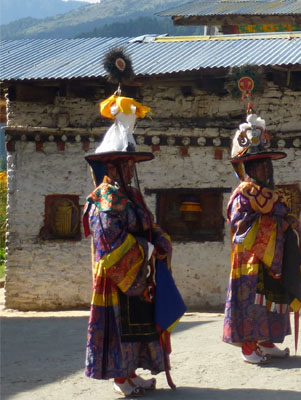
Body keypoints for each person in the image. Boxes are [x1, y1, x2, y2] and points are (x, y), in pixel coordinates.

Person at [83, 94, 175, 397]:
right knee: (120, 328)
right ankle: (120, 379)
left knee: (139, 326)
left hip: (139, 273)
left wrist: (160, 239)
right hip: (116, 277)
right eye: (125, 164)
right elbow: (110, 241)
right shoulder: (105, 200)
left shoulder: (131, 195)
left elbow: (148, 222)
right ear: (110, 166)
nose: (130, 170)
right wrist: (146, 250)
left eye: (131, 164)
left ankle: (132, 374)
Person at [223, 110, 301, 364]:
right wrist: (277, 226)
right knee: (251, 302)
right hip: (251, 261)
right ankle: (249, 346)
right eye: (256, 164)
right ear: (247, 167)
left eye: (264, 163)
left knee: (273, 300)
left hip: (276, 258)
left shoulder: (272, 193)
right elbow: (240, 224)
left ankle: (267, 341)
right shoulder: (242, 194)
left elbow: (282, 215)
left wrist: (290, 222)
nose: (262, 168)